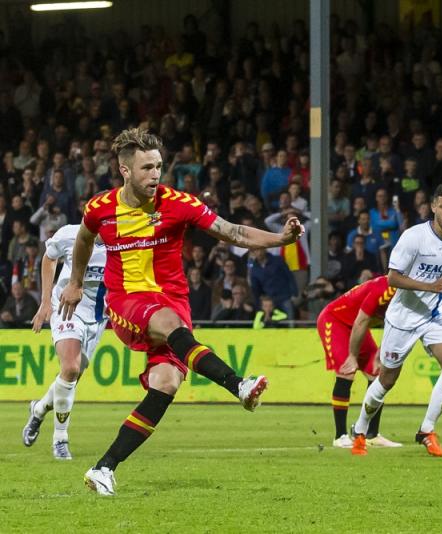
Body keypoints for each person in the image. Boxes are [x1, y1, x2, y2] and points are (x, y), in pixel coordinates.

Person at [58, 128, 304, 496]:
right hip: (127, 300)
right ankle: (238, 384)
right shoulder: (100, 208)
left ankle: (103, 468)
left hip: (173, 301)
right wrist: (75, 283)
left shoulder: (179, 203)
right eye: (146, 168)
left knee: (165, 384)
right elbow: (82, 240)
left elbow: (232, 232)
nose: (155, 175)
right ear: (125, 171)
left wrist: (280, 240)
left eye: (158, 166)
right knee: (169, 324)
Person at [351, 184, 442, 457]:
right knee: (387, 380)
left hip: (435, 315)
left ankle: (426, 430)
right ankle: (360, 429)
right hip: (403, 317)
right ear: (432, 207)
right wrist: (432, 286)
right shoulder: (413, 237)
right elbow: (393, 278)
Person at [22, 225, 108, 460]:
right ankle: (60, 440)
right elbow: (49, 258)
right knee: (70, 368)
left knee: (70, 377)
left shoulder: (124, 242)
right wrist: (45, 302)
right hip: (67, 308)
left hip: (99, 318)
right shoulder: (71, 233)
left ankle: (38, 409)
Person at [316, 275, 402, 449]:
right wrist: (353, 355)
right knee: (346, 371)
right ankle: (340, 436)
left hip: (359, 326)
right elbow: (362, 320)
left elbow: (395, 324)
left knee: (378, 374)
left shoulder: (406, 293)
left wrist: (381, 352)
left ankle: (371, 434)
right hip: (336, 321)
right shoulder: (383, 289)